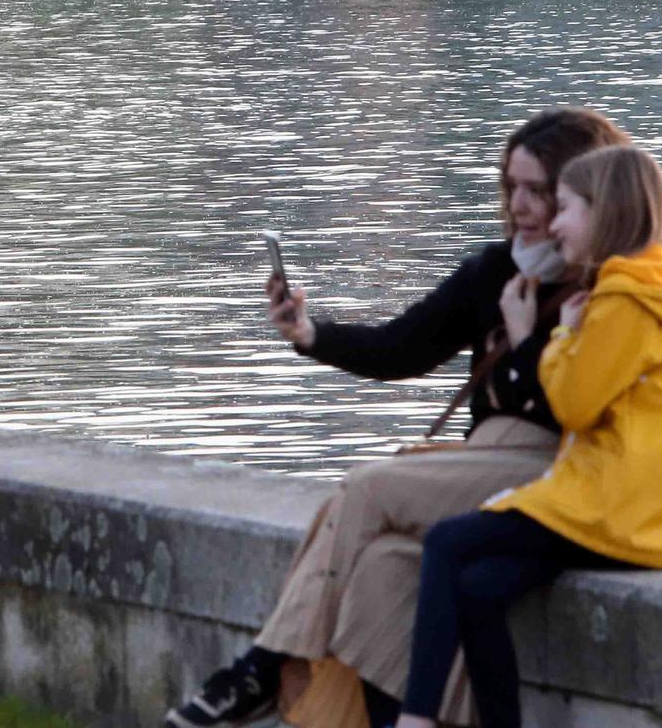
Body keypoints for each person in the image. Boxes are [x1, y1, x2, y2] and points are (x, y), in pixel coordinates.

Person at [164, 108, 631, 728]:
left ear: (586, 194)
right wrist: (311, 334)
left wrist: (525, 341)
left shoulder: (610, 290)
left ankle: (259, 669)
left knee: (366, 488)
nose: (519, 205)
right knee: (384, 570)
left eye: (539, 192)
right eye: (510, 186)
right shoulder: (497, 271)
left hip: (555, 466)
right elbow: (403, 346)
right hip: (480, 463)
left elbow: (583, 409)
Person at [396, 146, 662, 728]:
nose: (552, 222)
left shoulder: (622, 304)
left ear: (605, 213)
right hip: (653, 502)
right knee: (482, 587)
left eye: (564, 208)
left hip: (622, 508)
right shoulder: (659, 288)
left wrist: (550, 338)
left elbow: (574, 406)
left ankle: (416, 719)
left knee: (446, 541)